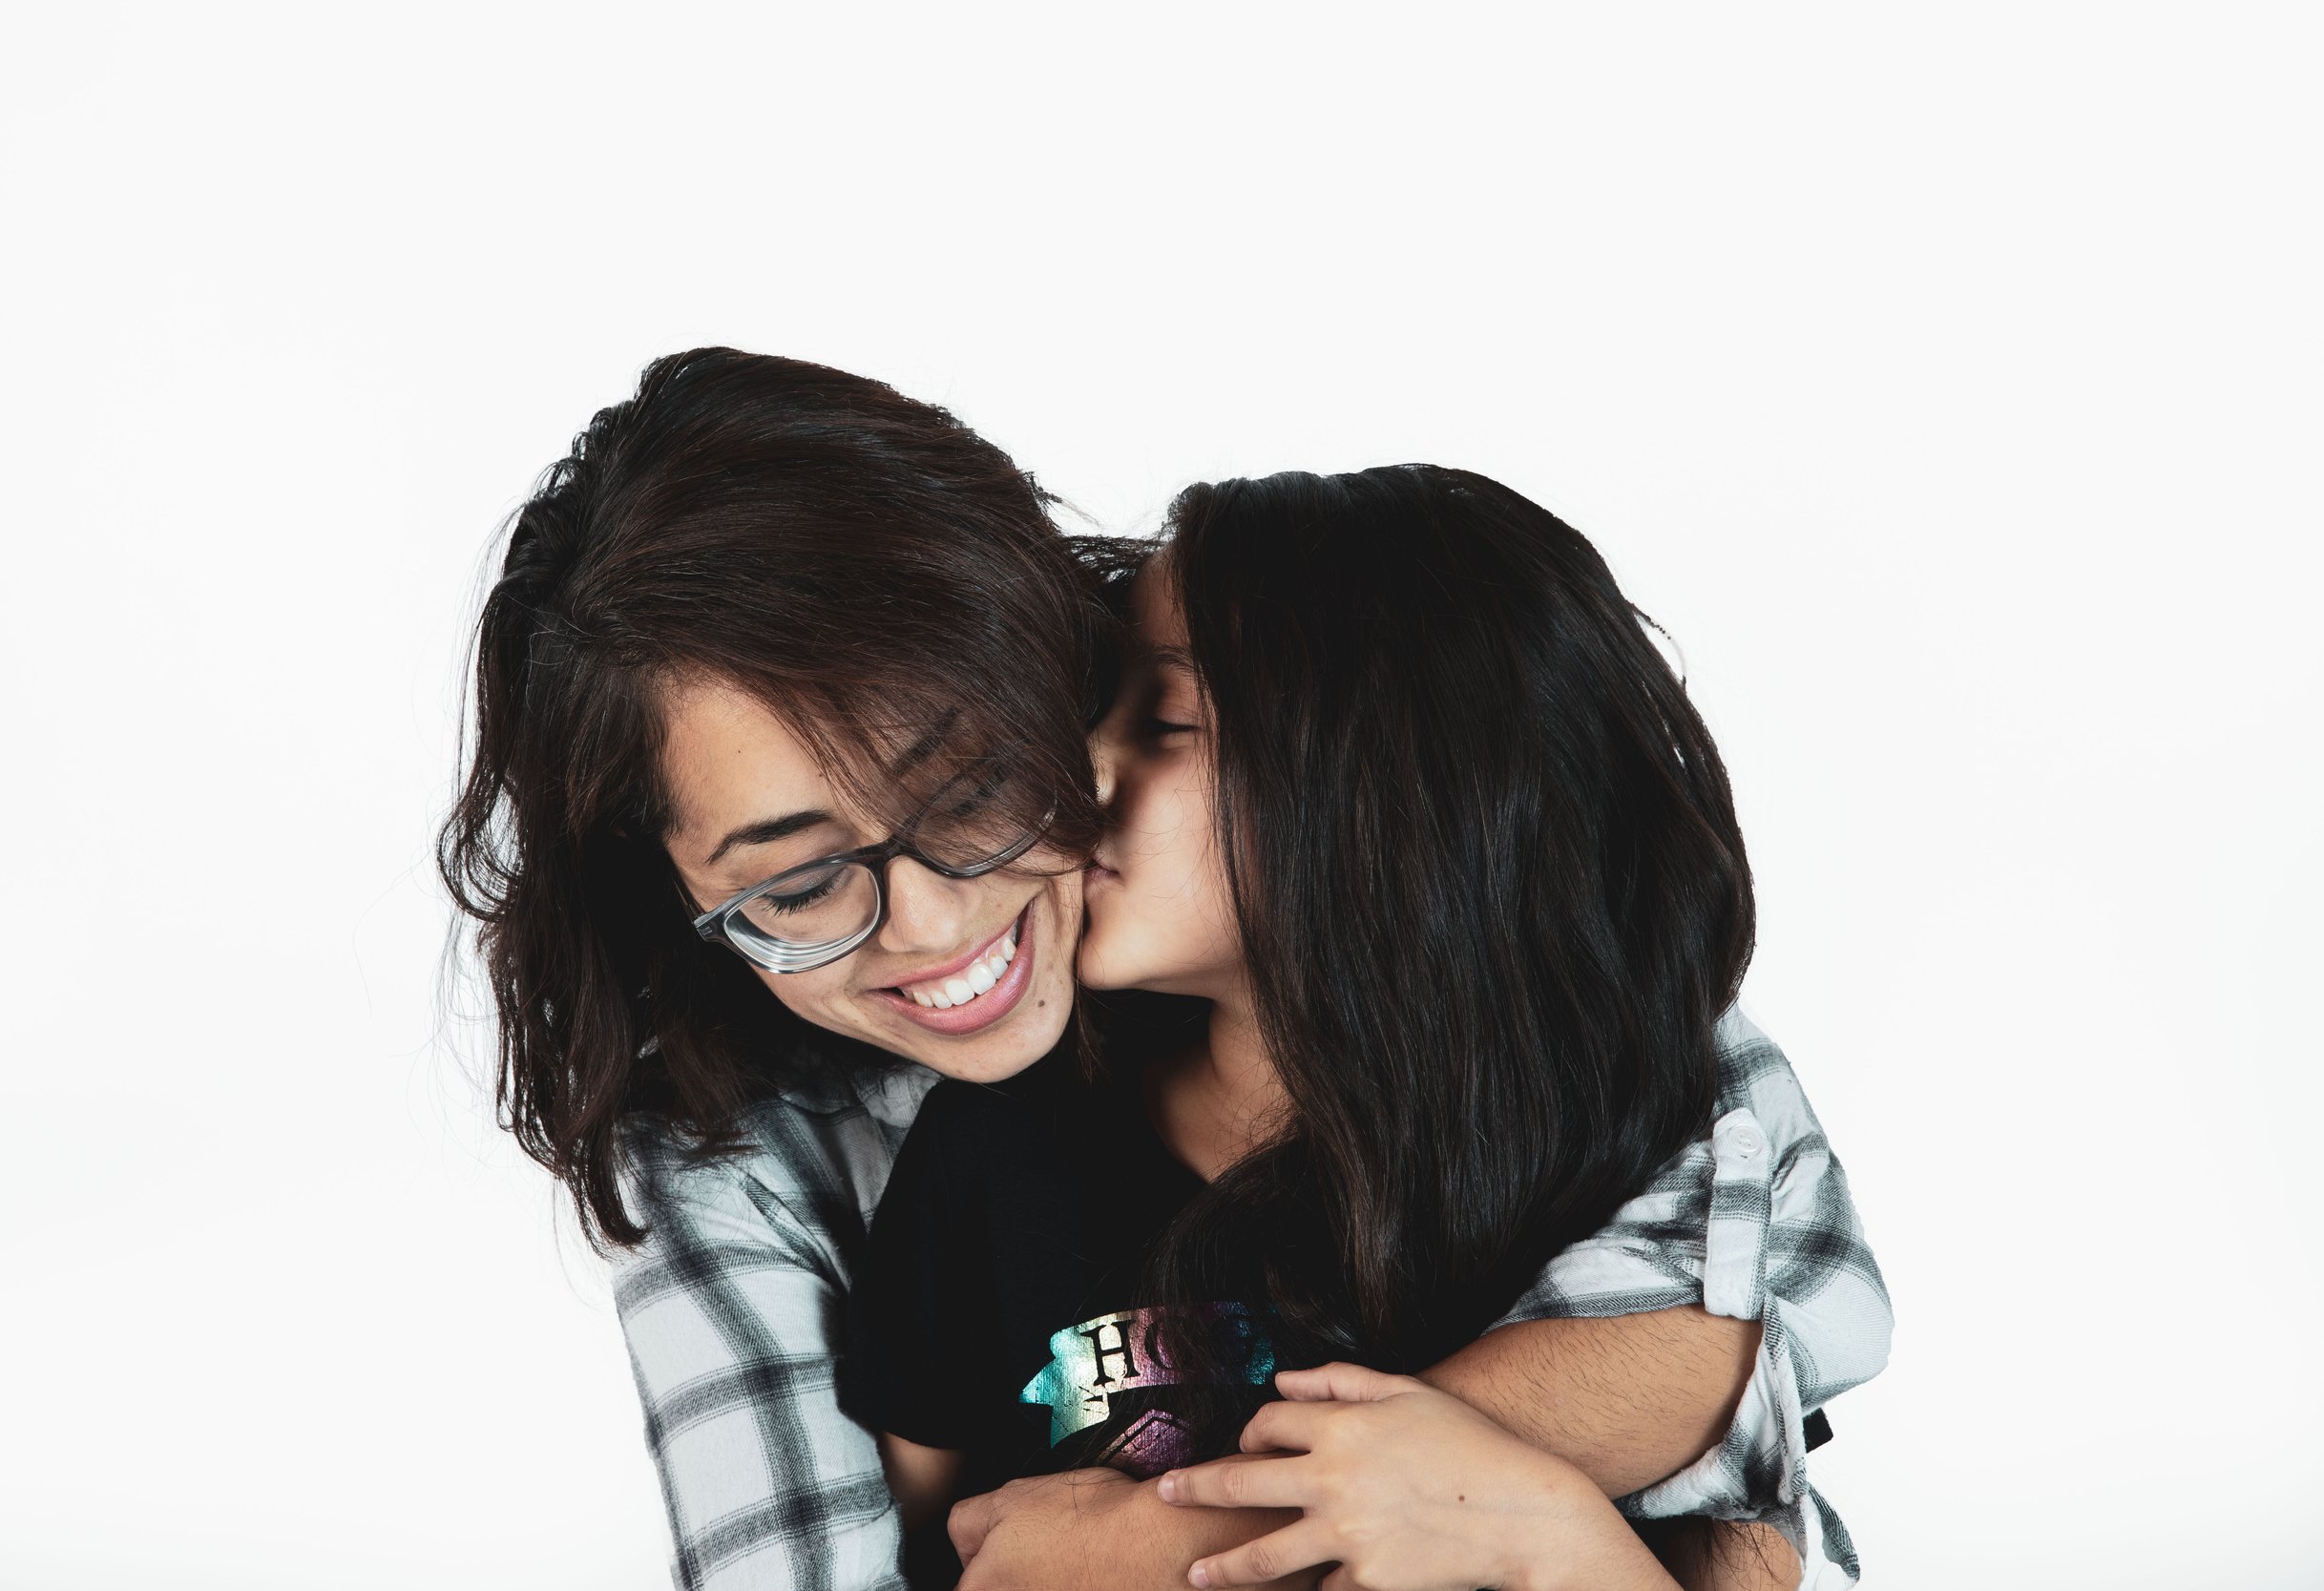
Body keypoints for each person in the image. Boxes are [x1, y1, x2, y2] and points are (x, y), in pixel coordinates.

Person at [440, 351, 1890, 1591]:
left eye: (971, 785)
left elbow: (1770, 1319)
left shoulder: (1532, 993)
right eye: (800, 881)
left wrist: (1177, 1537)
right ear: (670, 887)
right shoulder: (795, 1161)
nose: (932, 923)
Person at [841, 467, 1889, 1589]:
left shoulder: (1628, 1172)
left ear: (1394, 792)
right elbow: (923, 1546)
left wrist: (1537, 1523)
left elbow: (1736, 1541)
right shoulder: (994, 1151)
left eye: (1167, 719)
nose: (1081, 766)